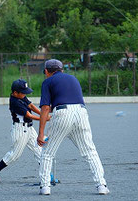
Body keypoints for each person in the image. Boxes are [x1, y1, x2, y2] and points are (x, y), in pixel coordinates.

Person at [37, 59, 109, 195]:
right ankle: (102, 185)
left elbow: (46, 108)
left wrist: (41, 133)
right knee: (90, 152)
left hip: (63, 113)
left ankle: (45, 187)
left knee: (47, 153)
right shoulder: (73, 78)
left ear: (46, 71)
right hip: (81, 112)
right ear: (62, 70)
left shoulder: (47, 81)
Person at [0, 79, 52, 182]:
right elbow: (29, 115)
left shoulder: (21, 96)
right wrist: (44, 118)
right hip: (20, 130)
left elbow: (30, 105)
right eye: (23, 92)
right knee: (15, 155)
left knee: (39, 151)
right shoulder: (14, 102)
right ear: (15, 93)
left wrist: (42, 114)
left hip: (30, 129)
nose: (25, 94)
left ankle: (48, 175)